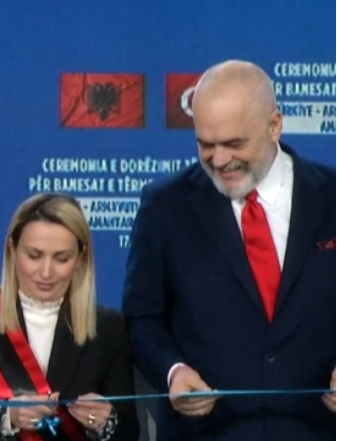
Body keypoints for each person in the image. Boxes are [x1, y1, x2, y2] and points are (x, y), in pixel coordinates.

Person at [121, 60, 336, 441]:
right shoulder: (165, 206)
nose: (219, 160)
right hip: (207, 432)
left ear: (274, 125)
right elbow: (142, 319)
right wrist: (173, 371)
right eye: (206, 145)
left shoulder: (331, 196)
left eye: (235, 144)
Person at [0, 193, 140, 441]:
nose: (46, 272)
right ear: (12, 250)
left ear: (80, 259)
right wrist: (5, 417)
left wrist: (105, 421)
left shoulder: (108, 328)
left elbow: (128, 431)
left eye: (62, 258)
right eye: (34, 255)